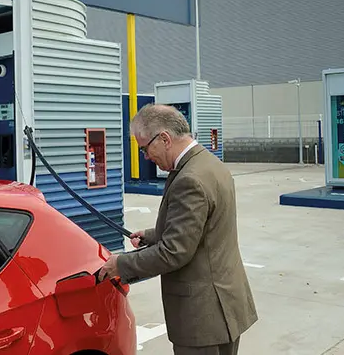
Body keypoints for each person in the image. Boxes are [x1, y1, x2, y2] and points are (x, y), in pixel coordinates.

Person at [98, 104, 258, 355]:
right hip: (224, 305)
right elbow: (205, 226)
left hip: (202, 315)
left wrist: (121, 264)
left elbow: (174, 252)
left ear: (164, 138)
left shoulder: (189, 179)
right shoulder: (209, 164)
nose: (146, 156)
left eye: (144, 148)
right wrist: (153, 235)